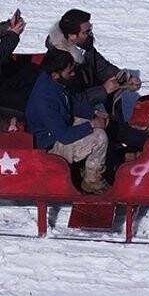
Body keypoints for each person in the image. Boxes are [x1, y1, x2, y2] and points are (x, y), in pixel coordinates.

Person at [45, 9, 147, 152]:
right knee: (122, 132)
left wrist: (125, 79)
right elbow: (71, 100)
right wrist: (103, 90)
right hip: (76, 113)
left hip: (91, 103)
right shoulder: (61, 62)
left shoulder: (84, 47)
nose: (90, 35)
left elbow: (102, 67)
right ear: (72, 36)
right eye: (86, 32)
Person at [26, 49, 110, 194]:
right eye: (69, 72)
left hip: (61, 127)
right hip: (50, 146)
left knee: (99, 123)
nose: (73, 74)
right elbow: (64, 136)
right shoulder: (45, 100)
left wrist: (94, 113)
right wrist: (92, 124)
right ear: (55, 75)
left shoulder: (55, 83)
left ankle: (89, 165)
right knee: (100, 137)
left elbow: (70, 102)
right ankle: (92, 180)